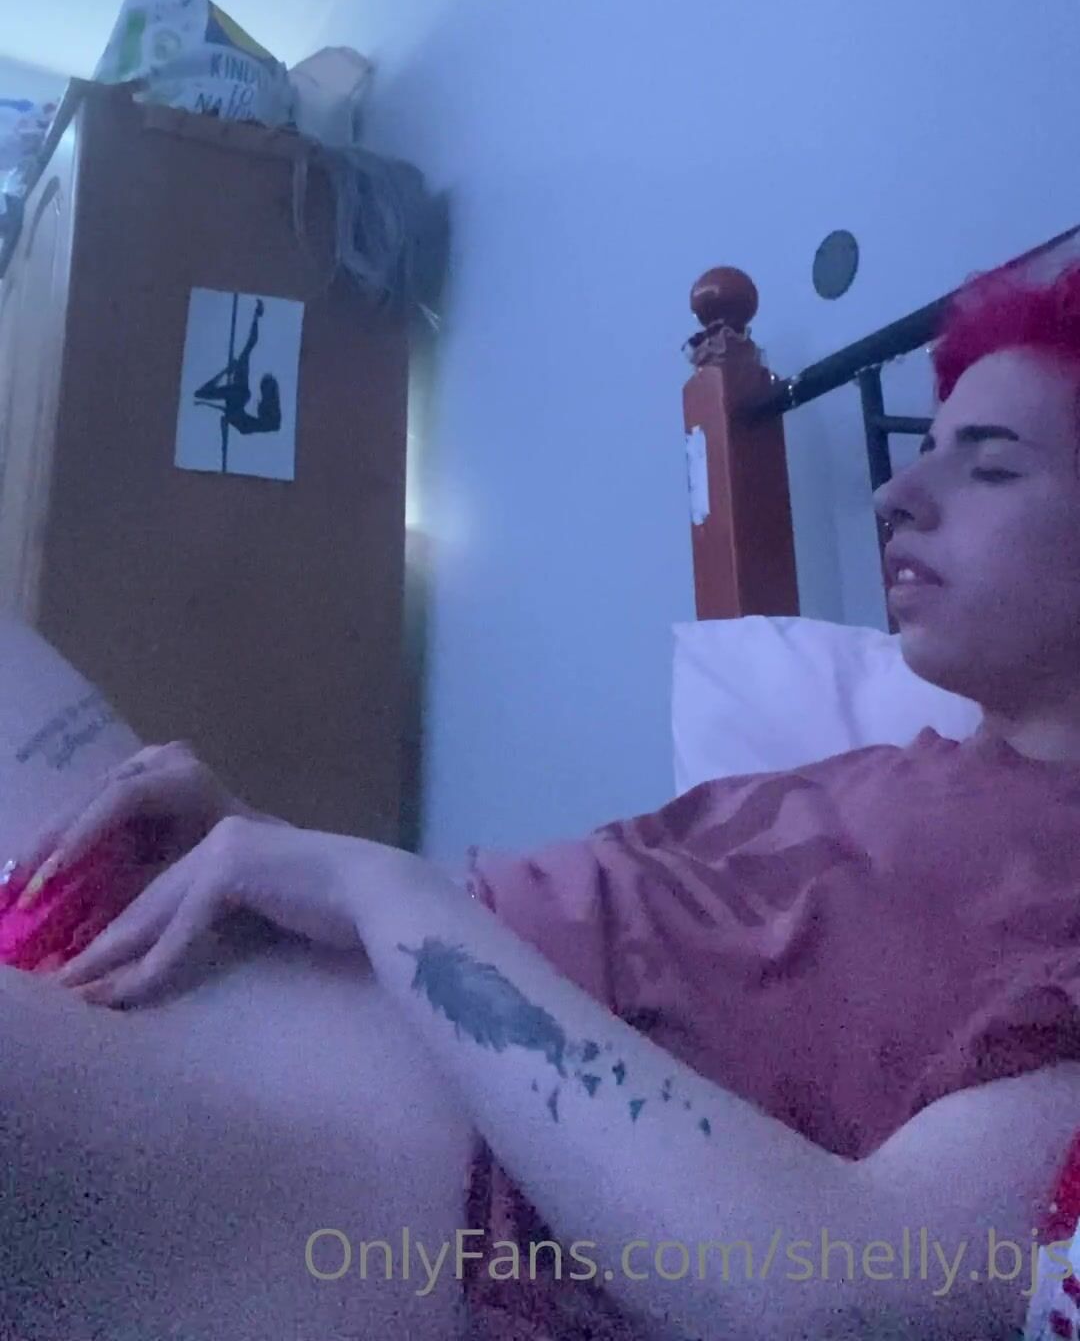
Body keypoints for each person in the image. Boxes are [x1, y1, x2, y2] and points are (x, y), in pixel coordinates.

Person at [6, 262, 1080, 1339]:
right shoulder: (890, 768)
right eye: (925, 449)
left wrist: (380, 888)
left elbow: (840, 1300)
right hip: (280, 966)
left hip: (398, 1167)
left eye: (991, 468)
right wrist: (269, 846)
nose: (896, 496)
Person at [194, 297, 282, 436]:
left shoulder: (265, 416)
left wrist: (226, 371)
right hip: (239, 401)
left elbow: (225, 414)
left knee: (244, 360)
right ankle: (256, 316)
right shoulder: (249, 401)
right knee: (245, 356)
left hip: (239, 402)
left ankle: (256, 316)